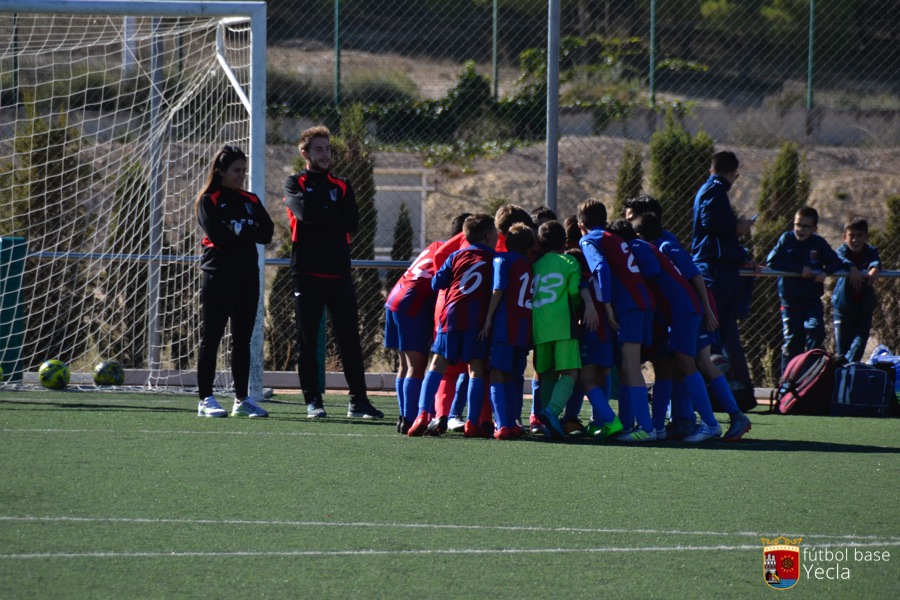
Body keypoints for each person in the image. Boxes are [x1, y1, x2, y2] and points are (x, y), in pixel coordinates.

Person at [284, 125, 384, 420]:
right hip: (306, 272)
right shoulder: (295, 183)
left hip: (339, 272)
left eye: (328, 149)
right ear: (305, 153)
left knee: (350, 338)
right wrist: (331, 214)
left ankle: (359, 400)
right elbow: (305, 215)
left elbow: (352, 222)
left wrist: (325, 214)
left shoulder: (342, 185)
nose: (325, 154)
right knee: (308, 340)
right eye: (318, 149)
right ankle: (313, 400)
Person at [195, 145, 274, 418]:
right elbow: (219, 237)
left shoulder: (250, 200)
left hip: (247, 276)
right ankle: (205, 398)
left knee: (242, 340)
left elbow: (267, 233)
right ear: (221, 171)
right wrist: (244, 230)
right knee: (212, 337)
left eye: (244, 170)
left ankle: (242, 399)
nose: (242, 175)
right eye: (236, 170)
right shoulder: (209, 200)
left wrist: (239, 228)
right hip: (218, 276)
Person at [408, 214, 497, 438]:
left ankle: (422, 416)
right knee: (476, 369)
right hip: (477, 321)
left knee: (437, 365)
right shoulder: (495, 260)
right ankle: (471, 423)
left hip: (451, 316)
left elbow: (437, 283)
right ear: (488, 236)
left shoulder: (456, 255)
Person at [578, 199, 656, 442]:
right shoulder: (615, 237)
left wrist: (608, 306)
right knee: (627, 366)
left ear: (582, 225)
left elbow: (600, 267)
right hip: (643, 302)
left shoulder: (589, 239)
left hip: (629, 305)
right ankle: (634, 424)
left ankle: (647, 428)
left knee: (631, 366)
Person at [691, 151, 759, 406]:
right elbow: (710, 224)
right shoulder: (714, 190)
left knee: (723, 329)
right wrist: (737, 226)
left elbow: (718, 237)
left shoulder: (713, 188)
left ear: (711, 169)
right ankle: (720, 393)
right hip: (714, 270)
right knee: (717, 330)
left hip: (719, 266)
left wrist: (741, 256)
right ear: (734, 174)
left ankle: (732, 394)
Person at [532, 220, 598, 441]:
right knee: (570, 372)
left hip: (540, 328)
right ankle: (552, 412)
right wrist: (582, 308)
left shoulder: (537, 265)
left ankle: (547, 420)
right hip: (564, 326)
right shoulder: (569, 261)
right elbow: (572, 292)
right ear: (565, 242)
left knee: (547, 373)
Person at [765, 206, 843, 374]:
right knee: (792, 341)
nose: (800, 229)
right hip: (790, 300)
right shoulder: (786, 239)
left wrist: (824, 272)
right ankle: (787, 383)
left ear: (814, 229)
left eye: (805, 226)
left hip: (811, 299)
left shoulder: (818, 243)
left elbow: (836, 262)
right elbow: (772, 261)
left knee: (816, 330)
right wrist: (799, 269)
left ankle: (811, 375)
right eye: (797, 225)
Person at [478, 223, 536, 439]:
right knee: (512, 376)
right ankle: (512, 423)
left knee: (496, 373)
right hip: (523, 326)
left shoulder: (502, 260)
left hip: (505, 326)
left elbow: (498, 288)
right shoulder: (528, 265)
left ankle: (502, 424)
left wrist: (488, 318)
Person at [384, 238, 442, 433]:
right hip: (412, 302)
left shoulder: (436, 245)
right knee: (416, 367)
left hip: (395, 297)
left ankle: (403, 418)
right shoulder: (453, 252)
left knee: (405, 365)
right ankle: (410, 419)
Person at [832, 218, 882, 363]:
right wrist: (852, 268)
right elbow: (839, 258)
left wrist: (875, 269)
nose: (855, 239)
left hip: (863, 309)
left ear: (866, 236)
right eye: (851, 235)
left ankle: (849, 368)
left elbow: (875, 260)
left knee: (859, 344)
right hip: (843, 309)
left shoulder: (870, 251)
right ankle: (842, 371)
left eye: (859, 235)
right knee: (842, 349)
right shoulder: (843, 251)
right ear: (844, 237)